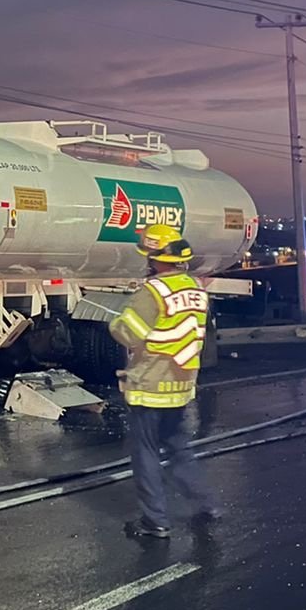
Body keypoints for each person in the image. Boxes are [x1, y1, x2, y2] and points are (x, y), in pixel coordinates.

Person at [108, 223, 217, 541]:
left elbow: (128, 332)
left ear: (155, 259)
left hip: (150, 386)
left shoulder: (152, 292)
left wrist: (115, 322)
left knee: (145, 454)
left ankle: (155, 521)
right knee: (178, 447)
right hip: (181, 385)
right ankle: (207, 504)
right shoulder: (197, 289)